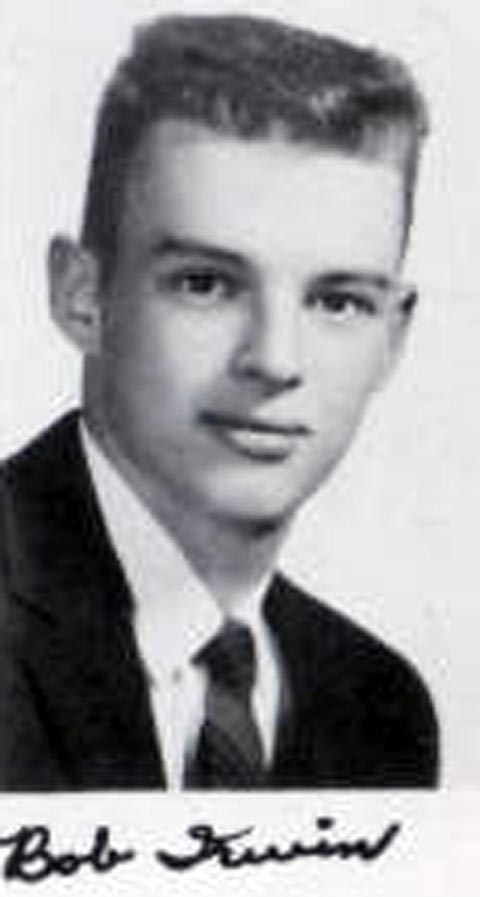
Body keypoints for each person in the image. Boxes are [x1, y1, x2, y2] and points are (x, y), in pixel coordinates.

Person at [0, 13, 439, 790]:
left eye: (338, 301)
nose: (275, 359)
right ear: (82, 295)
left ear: (392, 338)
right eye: (206, 284)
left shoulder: (377, 705)